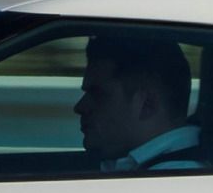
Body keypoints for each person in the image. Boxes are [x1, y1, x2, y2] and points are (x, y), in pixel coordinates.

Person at [76, 31, 203, 171]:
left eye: (98, 94)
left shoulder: (172, 180)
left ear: (147, 104)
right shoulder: (141, 169)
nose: (80, 107)